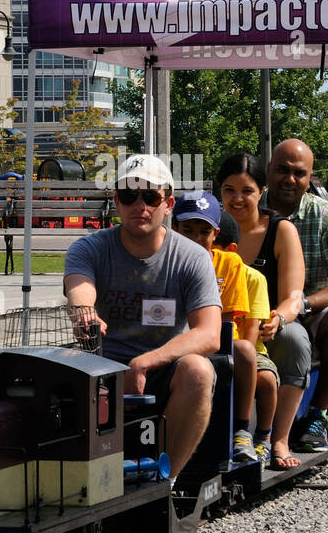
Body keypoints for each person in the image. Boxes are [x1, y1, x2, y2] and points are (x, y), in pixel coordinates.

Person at [63, 154, 221, 478]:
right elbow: (79, 288)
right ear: (116, 202)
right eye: (128, 196)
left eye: (150, 196)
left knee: (199, 371)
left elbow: (209, 334)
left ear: (168, 203)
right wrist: (85, 313)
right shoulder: (88, 248)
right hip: (101, 368)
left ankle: (166, 481)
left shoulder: (191, 257)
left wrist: (146, 362)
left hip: (162, 369)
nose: (140, 206)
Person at [265, 139, 328, 452]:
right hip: (255, 313)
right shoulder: (249, 210)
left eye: (299, 173)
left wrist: (300, 304)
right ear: (268, 170)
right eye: (282, 170)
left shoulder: (324, 215)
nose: (290, 179)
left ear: (311, 179)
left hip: (308, 314)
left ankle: (316, 414)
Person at [216, 151, 308, 468]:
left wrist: (278, 317)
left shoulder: (281, 231)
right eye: (229, 190)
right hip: (218, 327)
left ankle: (278, 438)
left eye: (247, 191)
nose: (237, 199)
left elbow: (293, 294)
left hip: (267, 324)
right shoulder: (205, 231)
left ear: (262, 192)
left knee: (294, 340)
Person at [171, 190, 258, 465]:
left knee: (244, 350)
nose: (196, 238)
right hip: (175, 340)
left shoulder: (229, 262)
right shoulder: (165, 261)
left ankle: (242, 431)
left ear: (215, 233)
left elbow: (229, 321)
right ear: (174, 229)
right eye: (188, 230)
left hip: (216, 341)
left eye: (203, 231)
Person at [214, 209, 278, 464]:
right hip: (212, 345)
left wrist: (235, 357)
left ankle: (262, 436)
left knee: (266, 380)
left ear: (230, 249)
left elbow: (251, 333)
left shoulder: (252, 278)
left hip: (245, 349)